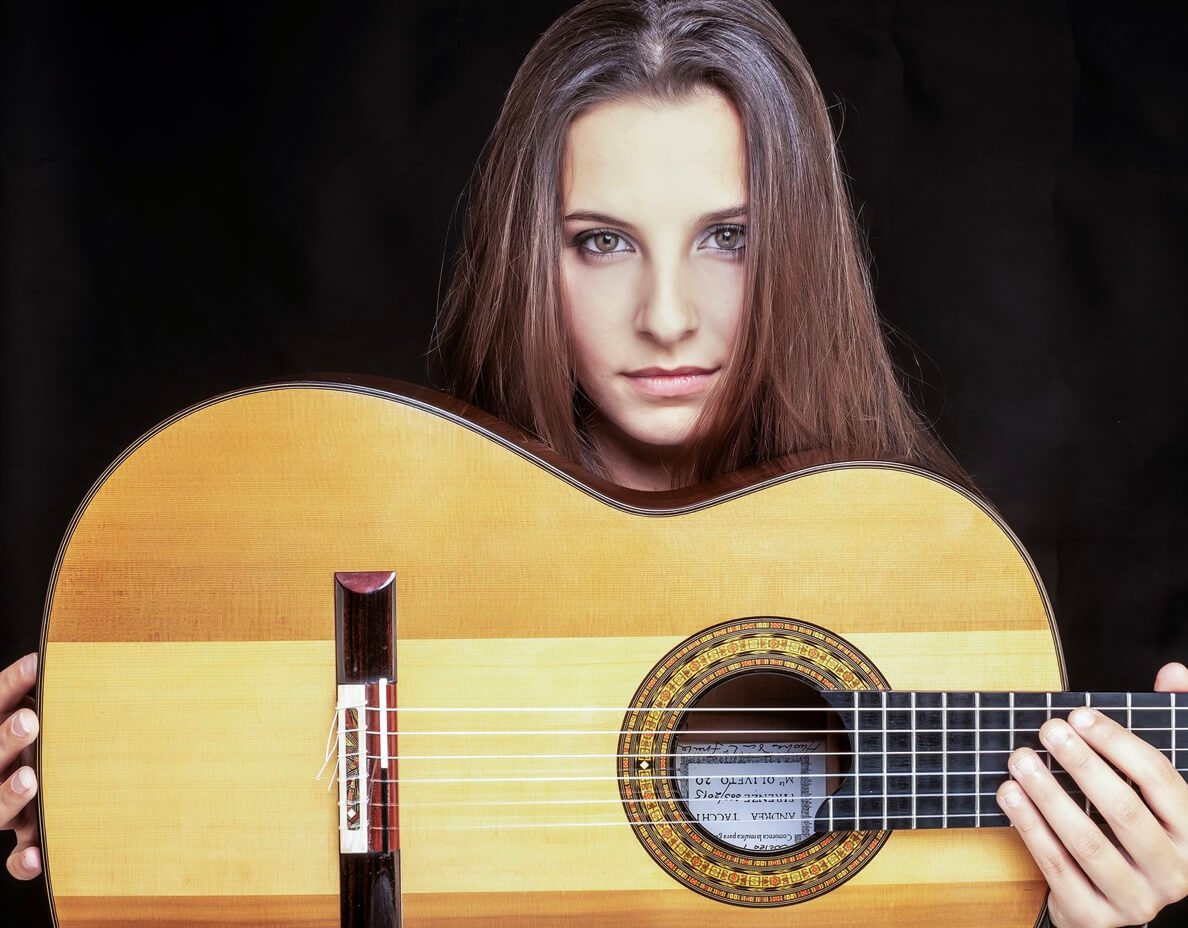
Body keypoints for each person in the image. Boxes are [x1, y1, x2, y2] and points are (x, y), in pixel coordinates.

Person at [4, 1, 1187, 925]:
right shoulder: (360, 495)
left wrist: (1089, 913)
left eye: (728, 237)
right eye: (602, 242)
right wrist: (134, 770)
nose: (666, 314)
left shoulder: (922, 584)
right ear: (532, 256)